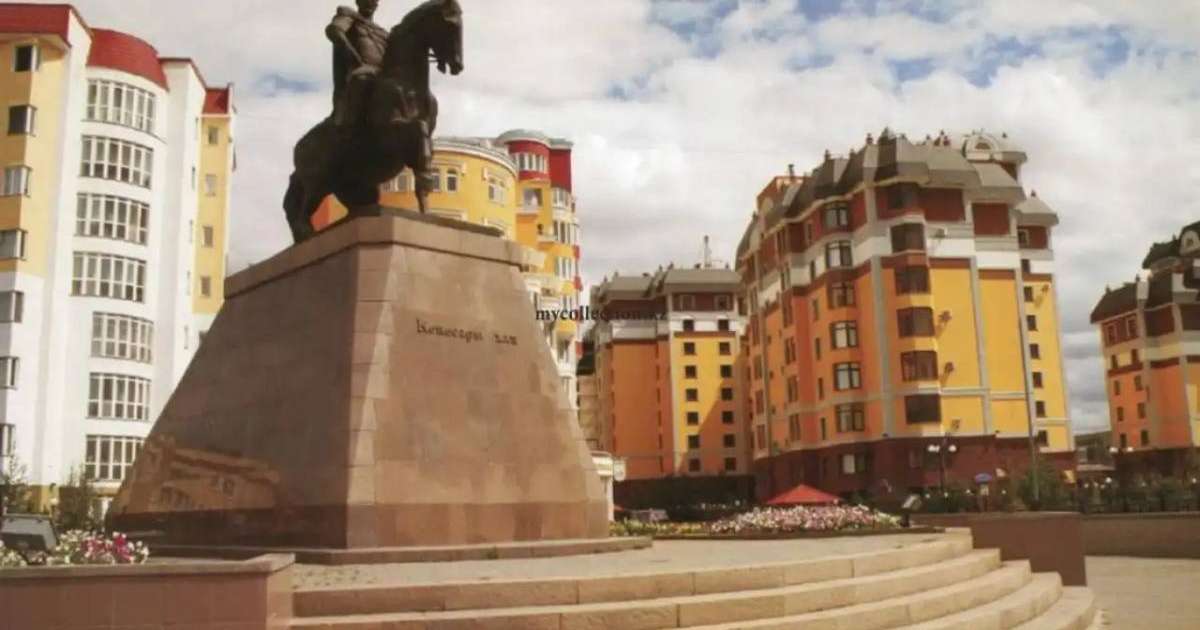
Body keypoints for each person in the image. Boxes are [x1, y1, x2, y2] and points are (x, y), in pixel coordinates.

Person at [327, 0, 389, 129]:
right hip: (361, 71)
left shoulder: (384, 34)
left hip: (383, 74)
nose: (369, 3)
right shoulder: (348, 15)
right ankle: (349, 129)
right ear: (358, 2)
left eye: (373, 1)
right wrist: (352, 54)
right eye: (365, 0)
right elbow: (335, 30)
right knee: (361, 79)